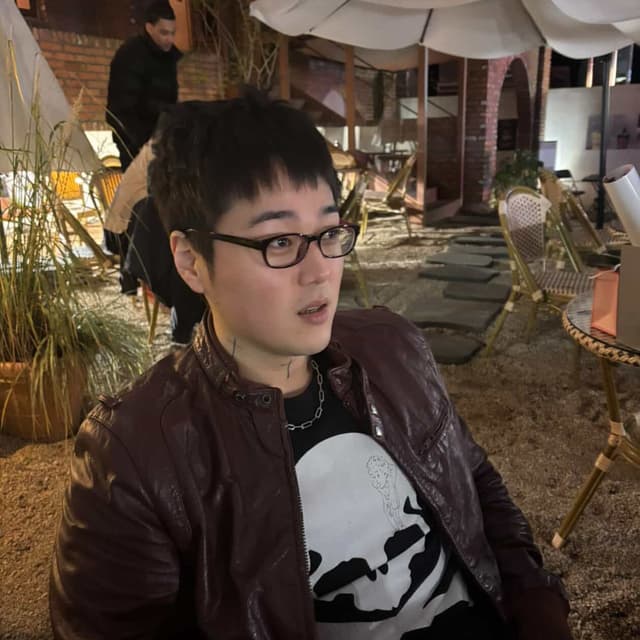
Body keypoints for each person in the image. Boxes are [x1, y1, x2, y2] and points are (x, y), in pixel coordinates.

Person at [50, 92, 573, 640]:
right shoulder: (135, 457)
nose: (320, 270)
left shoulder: (393, 347)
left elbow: (473, 478)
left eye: (328, 233)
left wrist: (536, 598)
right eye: (279, 241)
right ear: (191, 260)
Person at [106, 0, 181, 171]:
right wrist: (143, 144)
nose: (169, 39)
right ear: (149, 28)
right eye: (164, 32)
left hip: (162, 144)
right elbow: (120, 109)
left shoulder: (169, 58)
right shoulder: (130, 56)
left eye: (172, 33)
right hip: (136, 146)